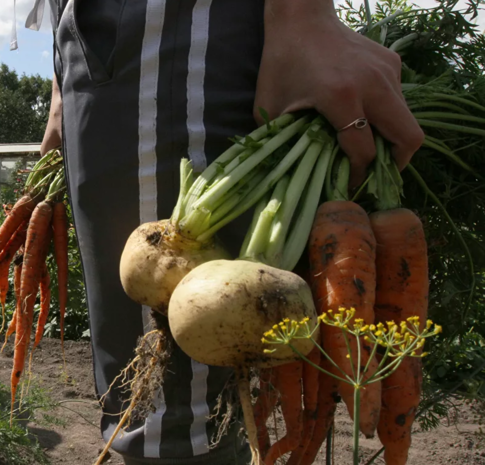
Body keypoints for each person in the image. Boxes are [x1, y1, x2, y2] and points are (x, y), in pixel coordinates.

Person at [32, 0, 424, 464]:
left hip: (174, 19)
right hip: (88, 39)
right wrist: (63, 67)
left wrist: (304, 15)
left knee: (177, 422)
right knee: (152, 411)